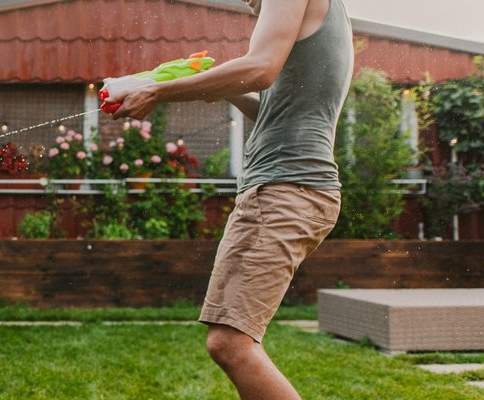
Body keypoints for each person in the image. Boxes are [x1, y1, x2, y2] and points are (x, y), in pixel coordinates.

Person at [105, 0, 352, 398]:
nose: (247, 3)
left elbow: (259, 69)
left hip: (284, 189)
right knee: (230, 341)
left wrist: (158, 90)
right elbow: (275, 107)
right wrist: (214, 83)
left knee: (231, 343)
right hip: (291, 188)